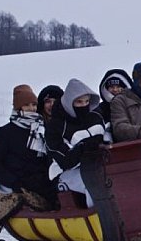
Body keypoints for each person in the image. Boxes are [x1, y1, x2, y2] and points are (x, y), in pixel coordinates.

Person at [0, 84, 55, 241]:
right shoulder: (5, 132)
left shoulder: (41, 129)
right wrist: (13, 181)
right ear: (18, 107)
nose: (31, 109)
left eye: (33, 105)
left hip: (41, 182)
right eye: (27, 105)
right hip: (18, 183)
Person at [45, 78, 106, 207]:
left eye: (87, 101)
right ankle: (99, 220)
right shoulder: (56, 127)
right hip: (65, 173)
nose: (84, 105)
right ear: (69, 103)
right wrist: (83, 147)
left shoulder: (96, 117)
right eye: (79, 102)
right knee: (95, 185)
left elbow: (109, 139)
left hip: (98, 166)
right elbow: (65, 161)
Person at [94, 69, 131, 143]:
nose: (115, 90)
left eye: (118, 86)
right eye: (111, 87)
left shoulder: (134, 105)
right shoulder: (100, 110)